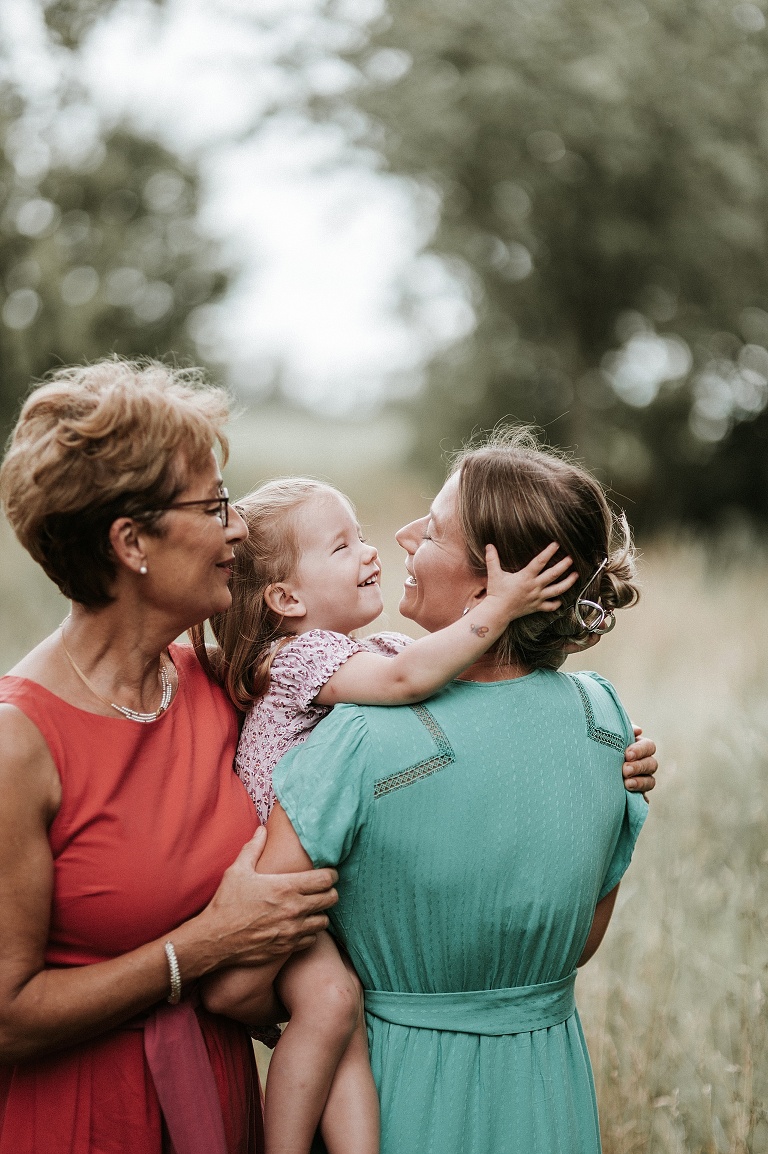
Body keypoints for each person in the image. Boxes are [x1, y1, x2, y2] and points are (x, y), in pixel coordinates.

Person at [202, 429, 656, 1154]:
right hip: (546, 1096)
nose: (403, 536)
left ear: (489, 592)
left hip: (400, 1097)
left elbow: (234, 984)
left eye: (435, 530)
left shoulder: (358, 737)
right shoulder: (607, 722)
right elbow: (577, 944)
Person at [0, 360, 338, 1154]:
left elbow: (374, 723)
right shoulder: (19, 743)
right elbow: (7, 1016)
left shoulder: (218, 682)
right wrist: (208, 944)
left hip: (214, 1101)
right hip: (82, 1121)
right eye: (214, 505)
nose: (239, 527)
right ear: (131, 542)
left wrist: (598, 750)